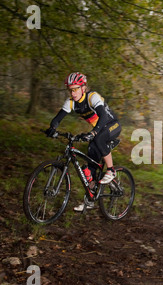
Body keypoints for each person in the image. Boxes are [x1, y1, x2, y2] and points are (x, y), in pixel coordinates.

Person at [45, 72, 121, 211]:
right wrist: (52, 128)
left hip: (112, 125)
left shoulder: (93, 97)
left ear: (83, 88)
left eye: (76, 89)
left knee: (98, 138)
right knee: (90, 166)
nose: (73, 93)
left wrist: (93, 132)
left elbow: (103, 116)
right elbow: (58, 118)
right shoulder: (71, 102)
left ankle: (111, 170)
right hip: (99, 130)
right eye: (70, 89)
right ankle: (90, 199)